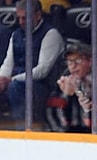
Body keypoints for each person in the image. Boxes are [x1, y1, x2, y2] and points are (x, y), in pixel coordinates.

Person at [0, 0, 64, 128]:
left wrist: (11, 79)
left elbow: (42, 70)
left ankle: (23, 129)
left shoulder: (51, 34)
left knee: (16, 87)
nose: (21, 22)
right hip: (15, 82)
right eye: (19, 18)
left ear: (38, 15)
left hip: (42, 85)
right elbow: (8, 63)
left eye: (25, 18)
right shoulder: (16, 34)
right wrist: (1, 79)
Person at [52, 41, 92, 133]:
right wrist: (66, 95)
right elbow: (53, 114)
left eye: (78, 60)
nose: (73, 66)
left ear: (90, 61)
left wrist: (77, 92)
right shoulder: (63, 81)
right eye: (69, 61)